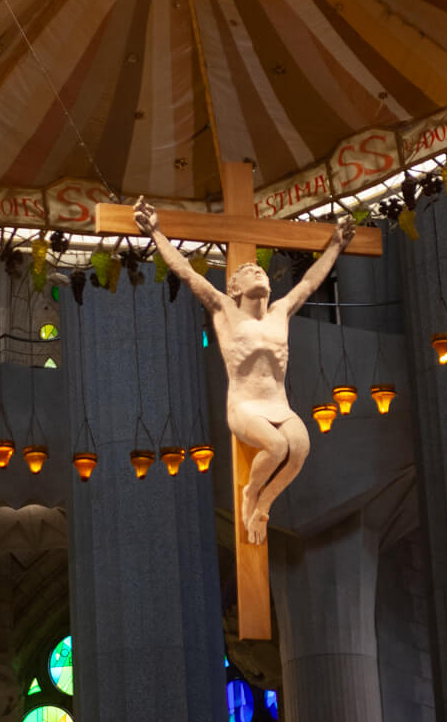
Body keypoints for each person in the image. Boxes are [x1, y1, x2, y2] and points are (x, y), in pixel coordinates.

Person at [133, 196, 353, 543]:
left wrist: (336, 247)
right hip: (245, 406)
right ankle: (251, 491)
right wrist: (157, 232)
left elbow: (309, 282)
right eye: (251, 271)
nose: (259, 272)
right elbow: (187, 272)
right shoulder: (224, 309)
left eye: (262, 270)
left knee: (300, 447)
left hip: (279, 404)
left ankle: (262, 501)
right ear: (234, 288)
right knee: (277, 447)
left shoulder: (280, 311)